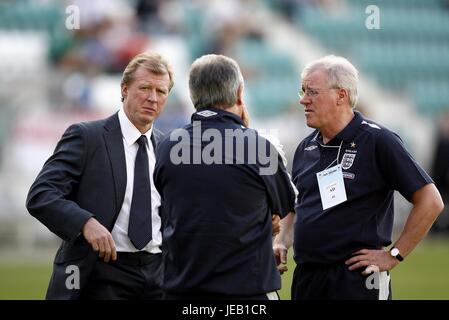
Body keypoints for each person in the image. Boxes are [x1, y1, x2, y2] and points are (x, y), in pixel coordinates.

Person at [273, 55, 444, 300]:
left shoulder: (378, 141)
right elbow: (293, 207)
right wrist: (281, 241)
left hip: (357, 281)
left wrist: (394, 255)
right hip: (307, 279)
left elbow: (431, 201)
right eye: (302, 91)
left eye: (312, 92)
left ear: (341, 95)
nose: (303, 100)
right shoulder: (305, 148)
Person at [26, 52, 174, 299]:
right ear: (124, 89)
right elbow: (41, 194)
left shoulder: (167, 148)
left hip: (158, 277)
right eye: (145, 88)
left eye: (161, 92)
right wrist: (85, 222)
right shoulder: (87, 137)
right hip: (102, 274)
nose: (152, 98)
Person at [154, 54, 295, 300]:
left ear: (193, 95)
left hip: (181, 292)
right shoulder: (258, 147)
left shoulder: (167, 146)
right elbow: (285, 206)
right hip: (245, 294)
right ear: (239, 93)